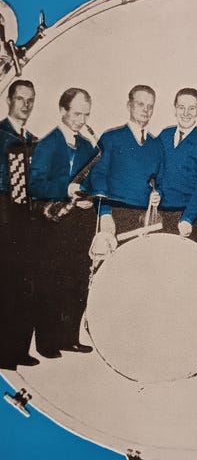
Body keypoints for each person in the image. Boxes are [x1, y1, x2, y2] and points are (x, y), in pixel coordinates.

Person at [29, 87, 98, 358]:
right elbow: (35, 184)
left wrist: (89, 197)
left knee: (77, 280)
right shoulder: (48, 144)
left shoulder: (87, 146)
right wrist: (65, 189)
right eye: (77, 114)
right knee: (51, 280)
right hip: (53, 221)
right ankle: (47, 342)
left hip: (79, 222)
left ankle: (69, 337)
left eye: (86, 115)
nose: (82, 120)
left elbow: (90, 182)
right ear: (62, 110)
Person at [0, 79, 39, 370]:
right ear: (8, 101)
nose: (25, 105)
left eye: (30, 100)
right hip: (5, 219)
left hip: (26, 221)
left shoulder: (33, 140)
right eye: (20, 99)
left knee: (26, 283)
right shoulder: (2, 135)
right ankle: (5, 354)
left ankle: (18, 350)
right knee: (7, 285)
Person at [89, 85, 163, 237]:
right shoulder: (110, 138)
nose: (146, 110)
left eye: (150, 106)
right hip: (113, 216)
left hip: (144, 219)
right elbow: (97, 176)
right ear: (129, 105)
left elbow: (160, 180)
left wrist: (158, 193)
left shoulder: (156, 144)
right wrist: (104, 213)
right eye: (140, 104)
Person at [156, 88, 197, 245]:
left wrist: (188, 218)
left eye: (192, 108)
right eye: (181, 107)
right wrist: (156, 192)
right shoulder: (164, 135)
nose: (186, 113)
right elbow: (157, 173)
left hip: (192, 218)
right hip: (163, 214)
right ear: (174, 108)